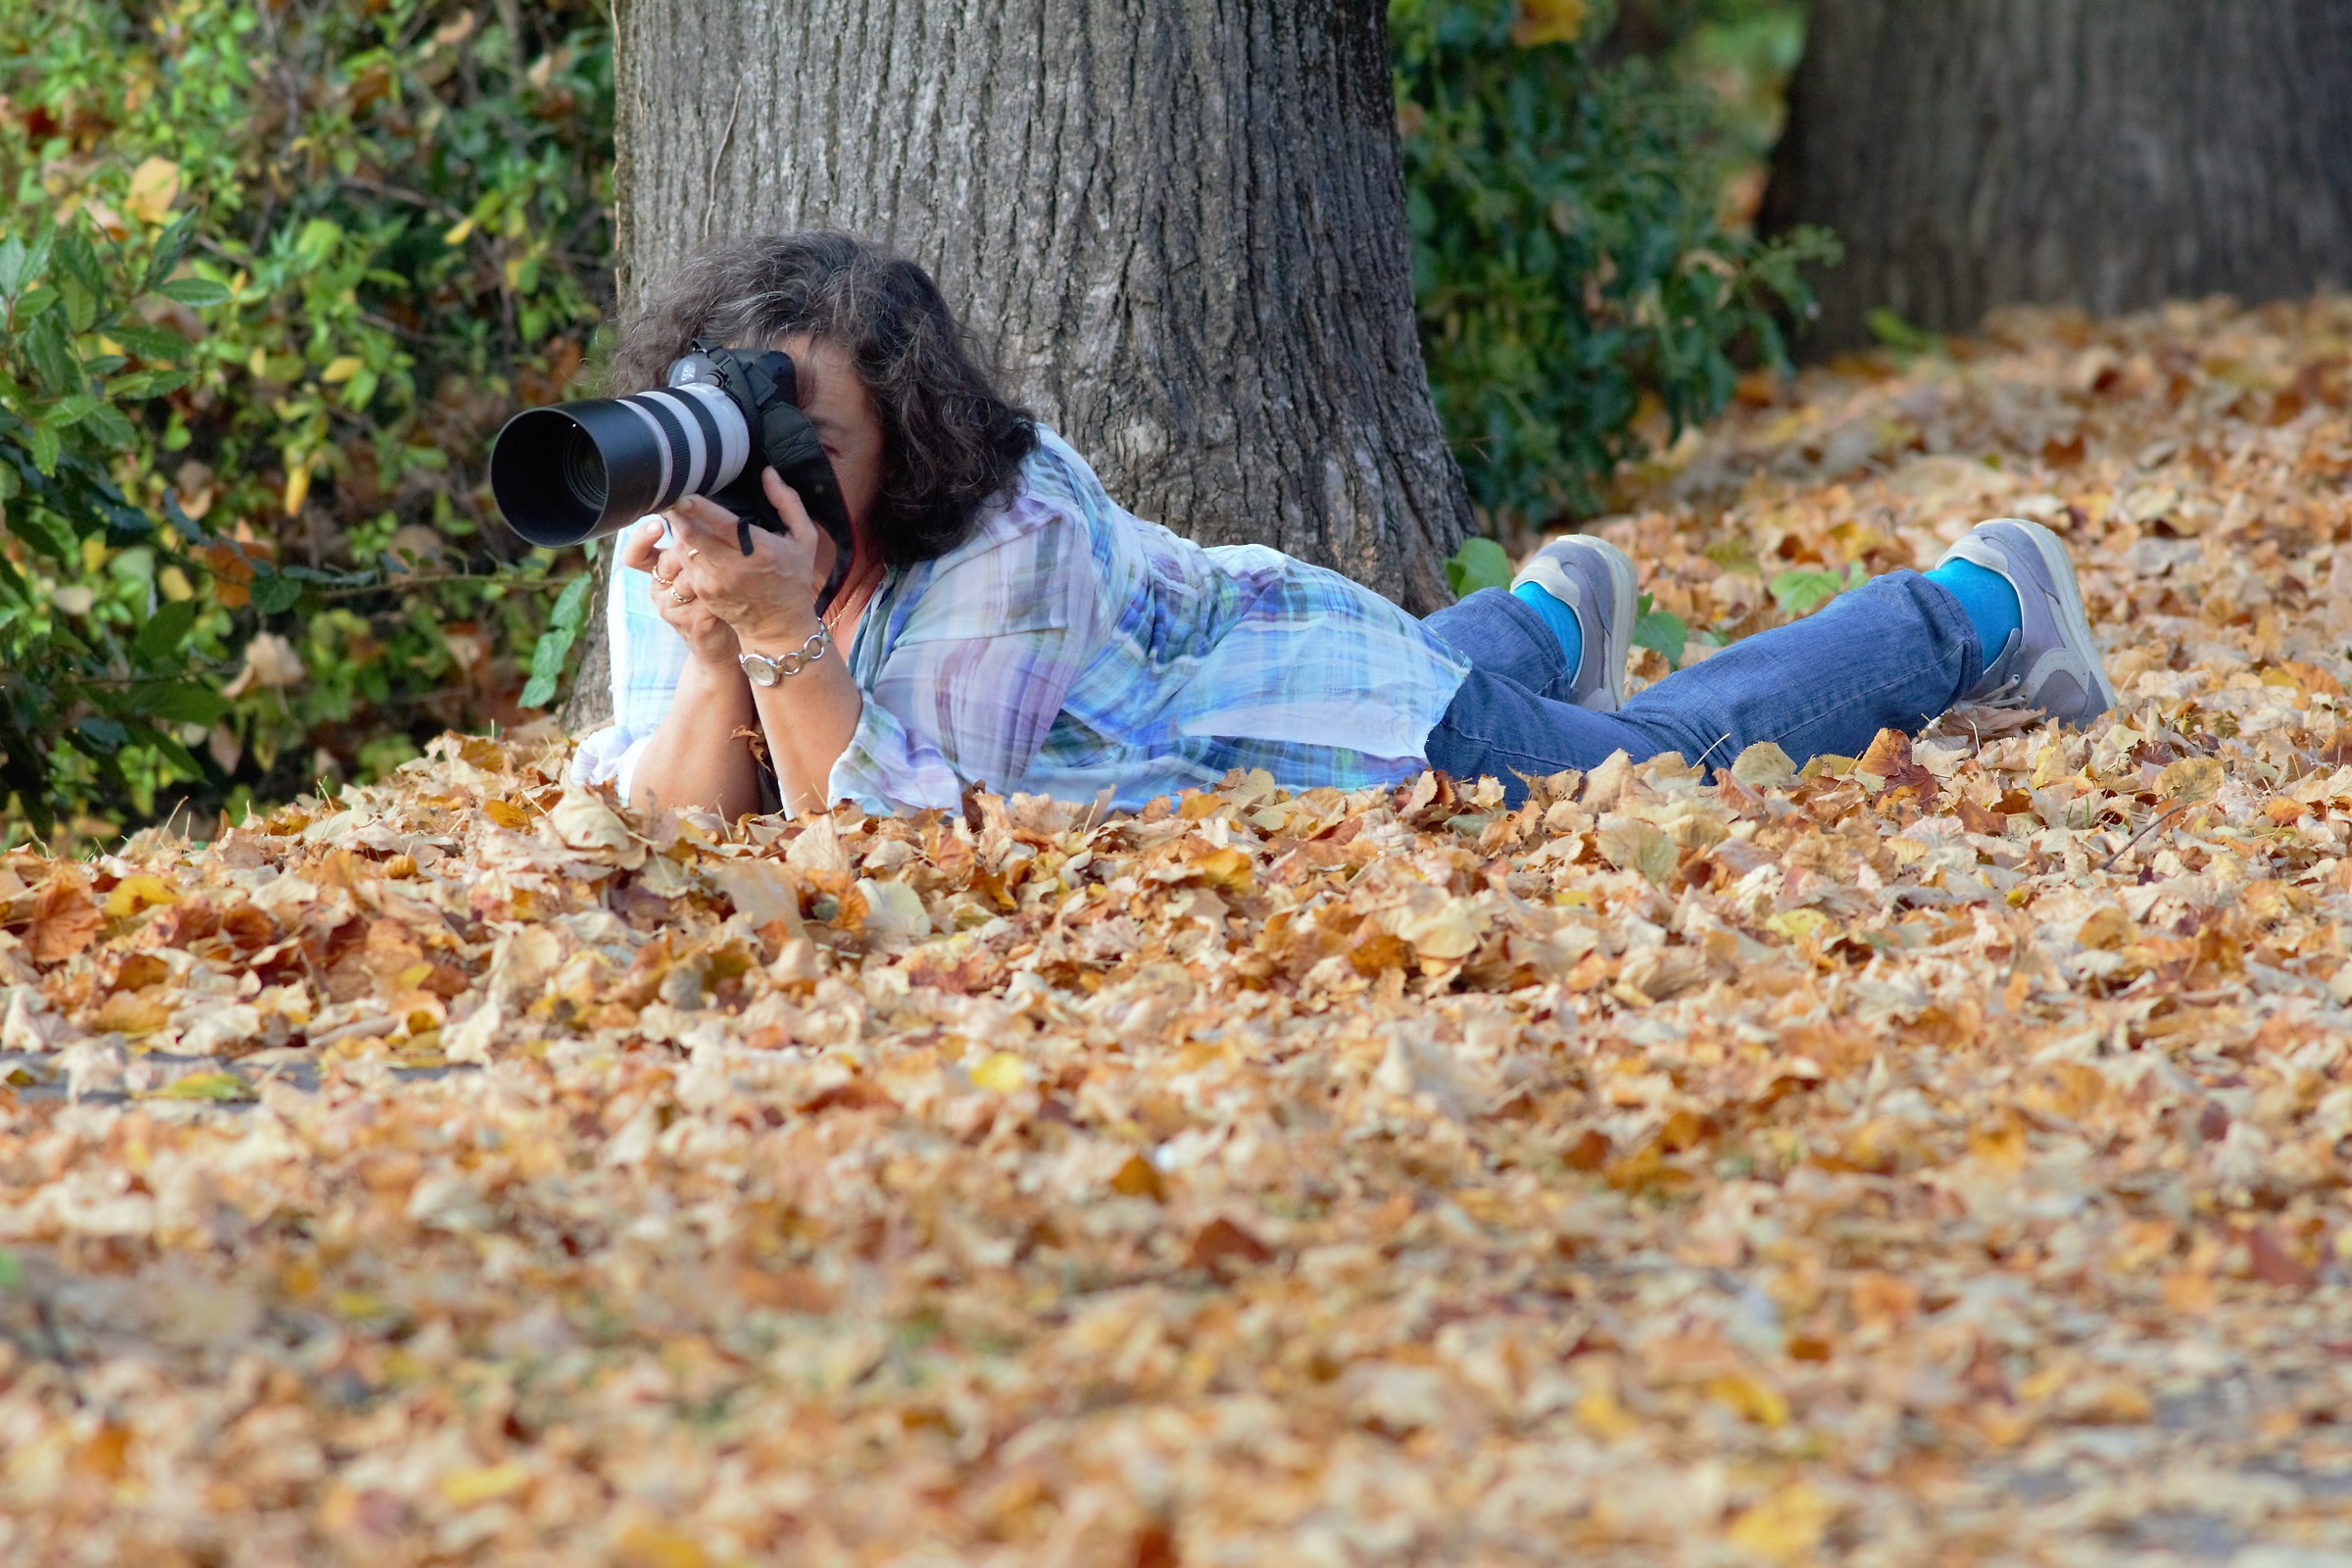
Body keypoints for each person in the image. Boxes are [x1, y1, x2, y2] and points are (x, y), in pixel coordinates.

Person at [575, 233, 2116, 819]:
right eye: (740, 422)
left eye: (810, 438)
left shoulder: (1008, 530)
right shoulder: (682, 514)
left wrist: (782, 631)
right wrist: (719, 649)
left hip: (1329, 714)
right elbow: (668, 826)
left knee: (1668, 769)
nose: (759, 472)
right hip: (1178, 688)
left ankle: (1977, 607)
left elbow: (908, 846)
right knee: (1551, 708)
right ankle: (1545, 622)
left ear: (908, 435)